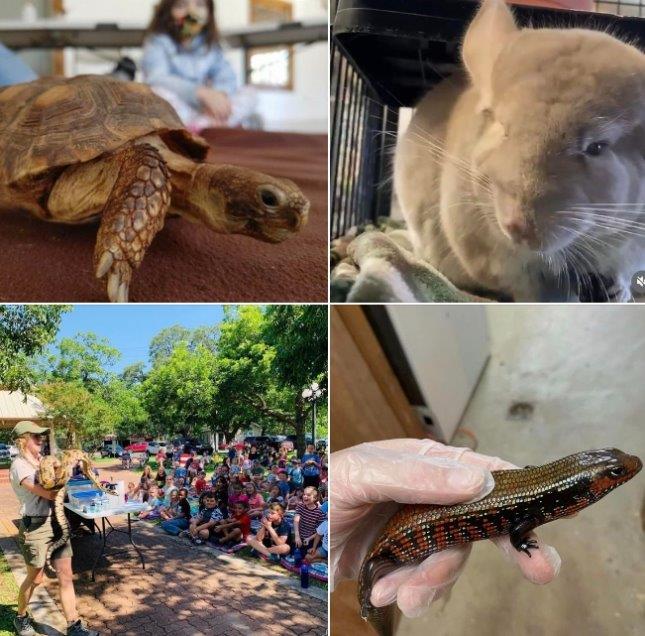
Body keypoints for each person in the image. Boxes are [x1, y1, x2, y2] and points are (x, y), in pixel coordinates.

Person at [331, 439, 562, 618]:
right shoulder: (536, 509)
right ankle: (366, 607)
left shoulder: (535, 506)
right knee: (371, 582)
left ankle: (370, 607)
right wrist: (521, 543)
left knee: (384, 588)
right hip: (392, 546)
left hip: (408, 535)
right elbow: (516, 532)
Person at [9, 421, 99, 636]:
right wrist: (67, 467)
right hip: (36, 526)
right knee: (36, 578)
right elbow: (49, 491)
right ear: (23, 440)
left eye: (41, 436)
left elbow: (59, 484)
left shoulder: (45, 461)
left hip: (57, 523)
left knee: (65, 576)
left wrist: (72, 464)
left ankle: (73, 625)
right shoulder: (19, 466)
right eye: (35, 436)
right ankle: (20, 617)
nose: (41, 439)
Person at [142, 0, 257, 132]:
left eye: (200, 5)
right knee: (157, 93)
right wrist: (199, 93)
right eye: (181, 5)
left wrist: (219, 95)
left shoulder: (210, 45)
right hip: (180, 108)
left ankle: (203, 125)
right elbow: (156, 78)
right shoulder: (157, 42)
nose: (192, 13)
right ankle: (208, 126)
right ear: (167, 13)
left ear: (209, 13)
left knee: (250, 94)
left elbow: (227, 76)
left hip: (206, 109)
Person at [293, 486, 325, 552]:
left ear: (315, 498)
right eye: (304, 494)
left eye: (308, 495)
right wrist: (297, 536)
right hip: (299, 536)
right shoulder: (300, 506)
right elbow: (296, 521)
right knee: (295, 552)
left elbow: (321, 530)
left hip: (311, 539)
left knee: (306, 555)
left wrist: (309, 539)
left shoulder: (320, 512)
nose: (305, 496)